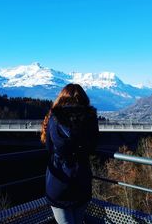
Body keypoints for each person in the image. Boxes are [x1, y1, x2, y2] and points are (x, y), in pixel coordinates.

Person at [41, 83, 99, 224]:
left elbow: (49, 148)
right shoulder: (90, 118)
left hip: (59, 183)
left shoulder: (53, 118)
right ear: (84, 98)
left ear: (61, 98)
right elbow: (93, 147)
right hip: (82, 182)